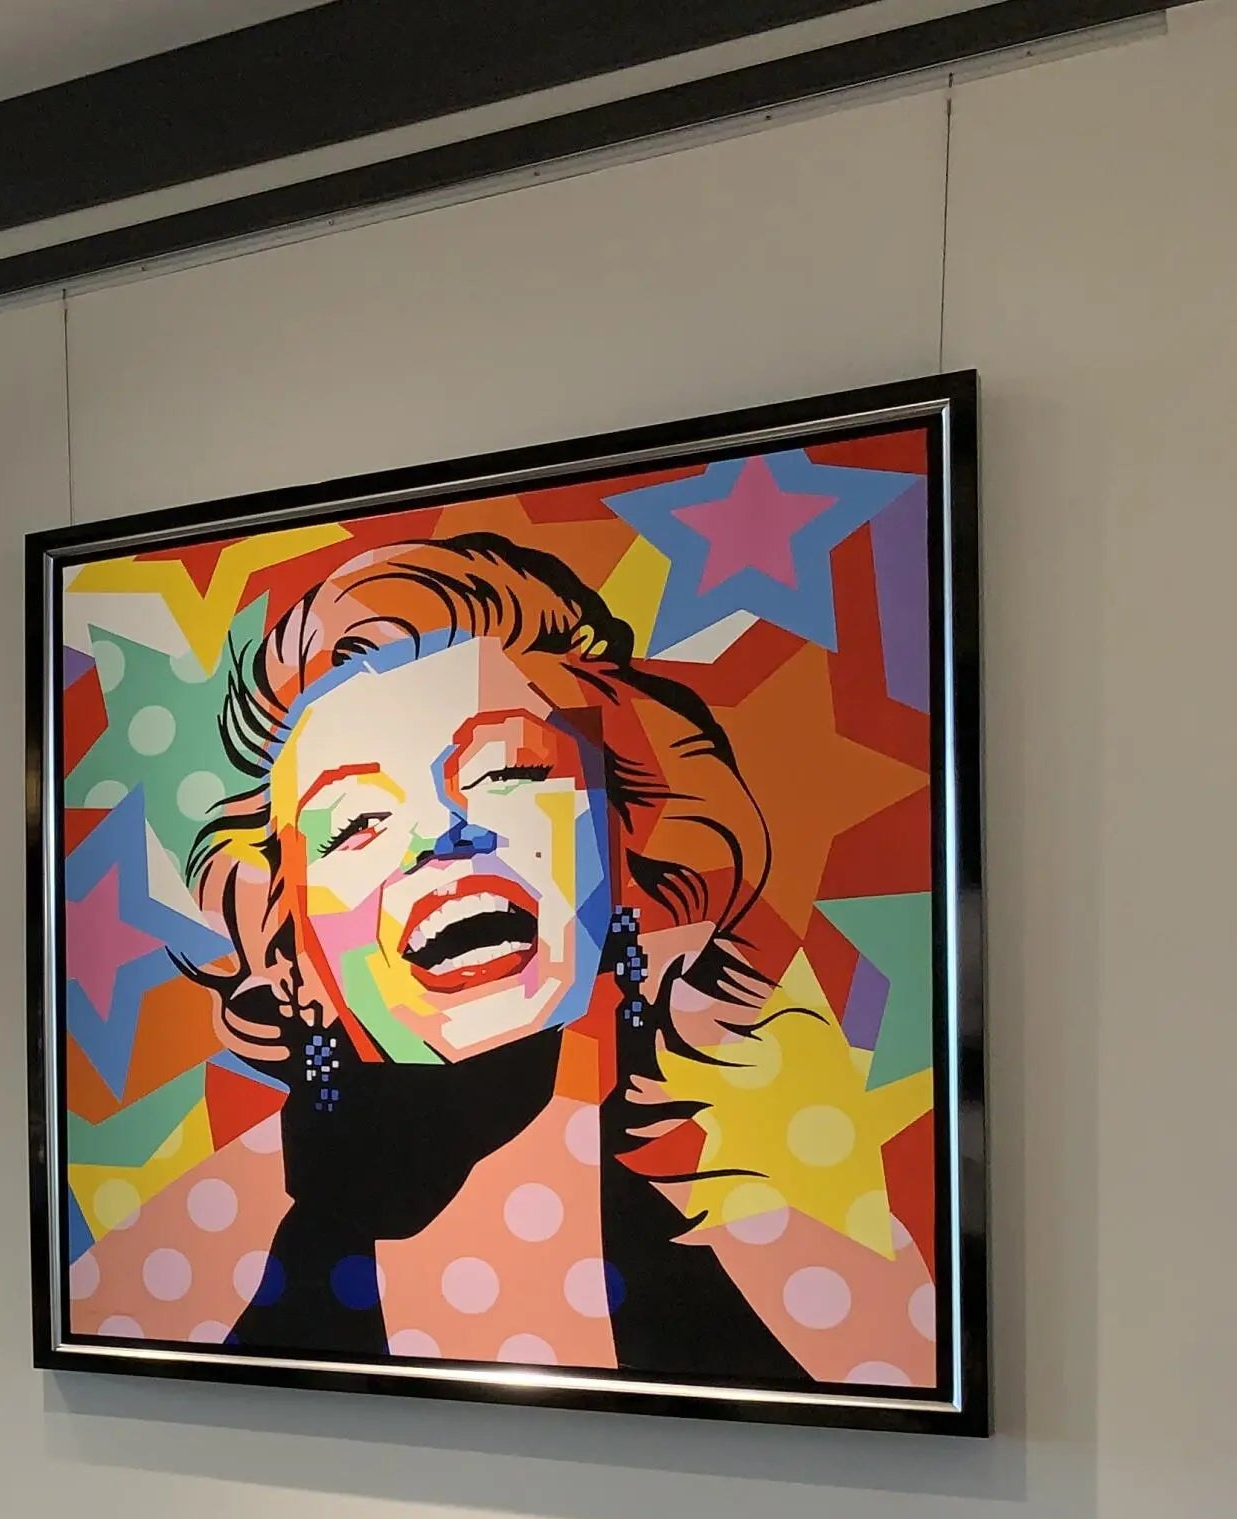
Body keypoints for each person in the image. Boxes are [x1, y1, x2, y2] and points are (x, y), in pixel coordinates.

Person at [70, 534, 934, 1385]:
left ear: (627, 837)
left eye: (505, 772)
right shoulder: (176, 1265)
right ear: (297, 953)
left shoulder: (808, 1249)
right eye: (356, 824)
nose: (442, 834)